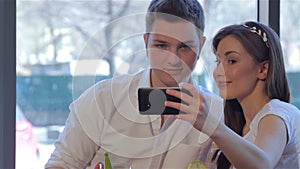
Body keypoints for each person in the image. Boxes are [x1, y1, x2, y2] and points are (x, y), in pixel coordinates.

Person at [45, 0, 223, 168]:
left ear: (201, 45)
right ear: (146, 43)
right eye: (161, 46)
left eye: (184, 47)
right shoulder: (102, 99)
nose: (173, 60)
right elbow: (61, 163)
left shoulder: (217, 112)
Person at [165, 21, 300, 168]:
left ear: (263, 69)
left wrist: (213, 127)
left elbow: (262, 164)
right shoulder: (238, 125)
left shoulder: (278, 113)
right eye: (218, 62)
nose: (218, 73)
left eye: (232, 61)